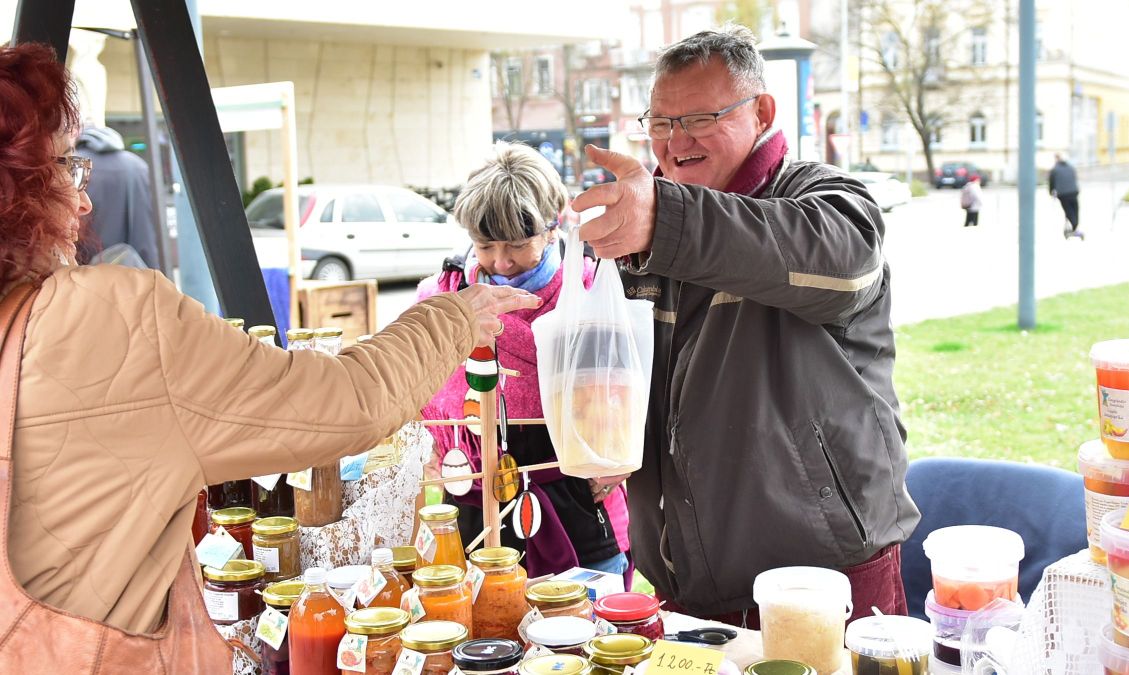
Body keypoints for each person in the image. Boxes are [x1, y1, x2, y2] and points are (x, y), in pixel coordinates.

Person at [0, 43, 537, 668]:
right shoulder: (99, 318)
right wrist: (455, 316)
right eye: (66, 167)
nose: (84, 200)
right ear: (24, 188)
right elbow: (342, 404)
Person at [572, 26, 919, 626]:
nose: (676, 142)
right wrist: (608, 434)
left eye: (701, 118)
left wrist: (667, 223)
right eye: (660, 124)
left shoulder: (825, 198)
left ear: (761, 112)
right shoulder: (654, 223)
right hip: (678, 572)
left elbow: (843, 267)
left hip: (821, 574)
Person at [418, 142, 632, 584]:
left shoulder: (591, 295)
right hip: (471, 510)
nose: (501, 262)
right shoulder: (442, 299)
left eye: (517, 244)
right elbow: (414, 392)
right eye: (484, 245)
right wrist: (430, 451)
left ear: (554, 228)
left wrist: (622, 454)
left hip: (577, 506)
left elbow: (631, 397)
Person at [74, 125, 162, 269]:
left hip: (92, 270)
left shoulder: (78, 166)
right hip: (137, 267)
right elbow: (147, 225)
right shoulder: (137, 165)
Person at [1049, 153, 1082, 239]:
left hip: (1063, 194)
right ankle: (1075, 225)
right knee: (1075, 209)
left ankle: (1074, 225)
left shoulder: (1055, 169)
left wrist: (1051, 192)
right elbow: (1074, 178)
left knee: (1068, 210)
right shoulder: (1071, 167)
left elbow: (1051, 183)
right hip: (1074, 191)